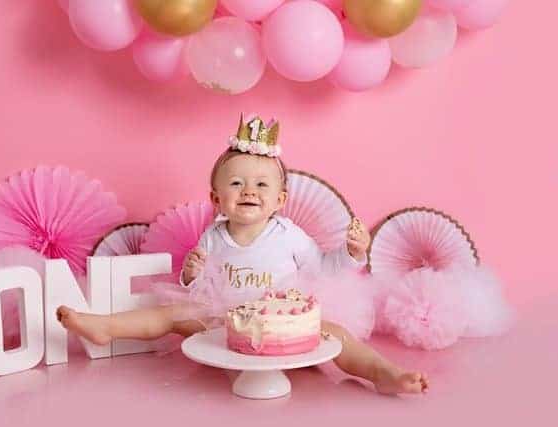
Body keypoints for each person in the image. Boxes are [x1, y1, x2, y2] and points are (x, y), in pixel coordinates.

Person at [57, 115, 428, 395]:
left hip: (284, 326)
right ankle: (106, 327)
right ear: (216, 199)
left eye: (262, 184)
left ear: (280, 200)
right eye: (236, 183)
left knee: (337, 337)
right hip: (225, 322)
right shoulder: (214, 235)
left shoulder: (289, 236)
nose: (249, 190)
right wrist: (191, 272)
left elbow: (324, 269)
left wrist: (352, 253)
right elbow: (198, 284)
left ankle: (383, 373)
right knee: (169, 314)